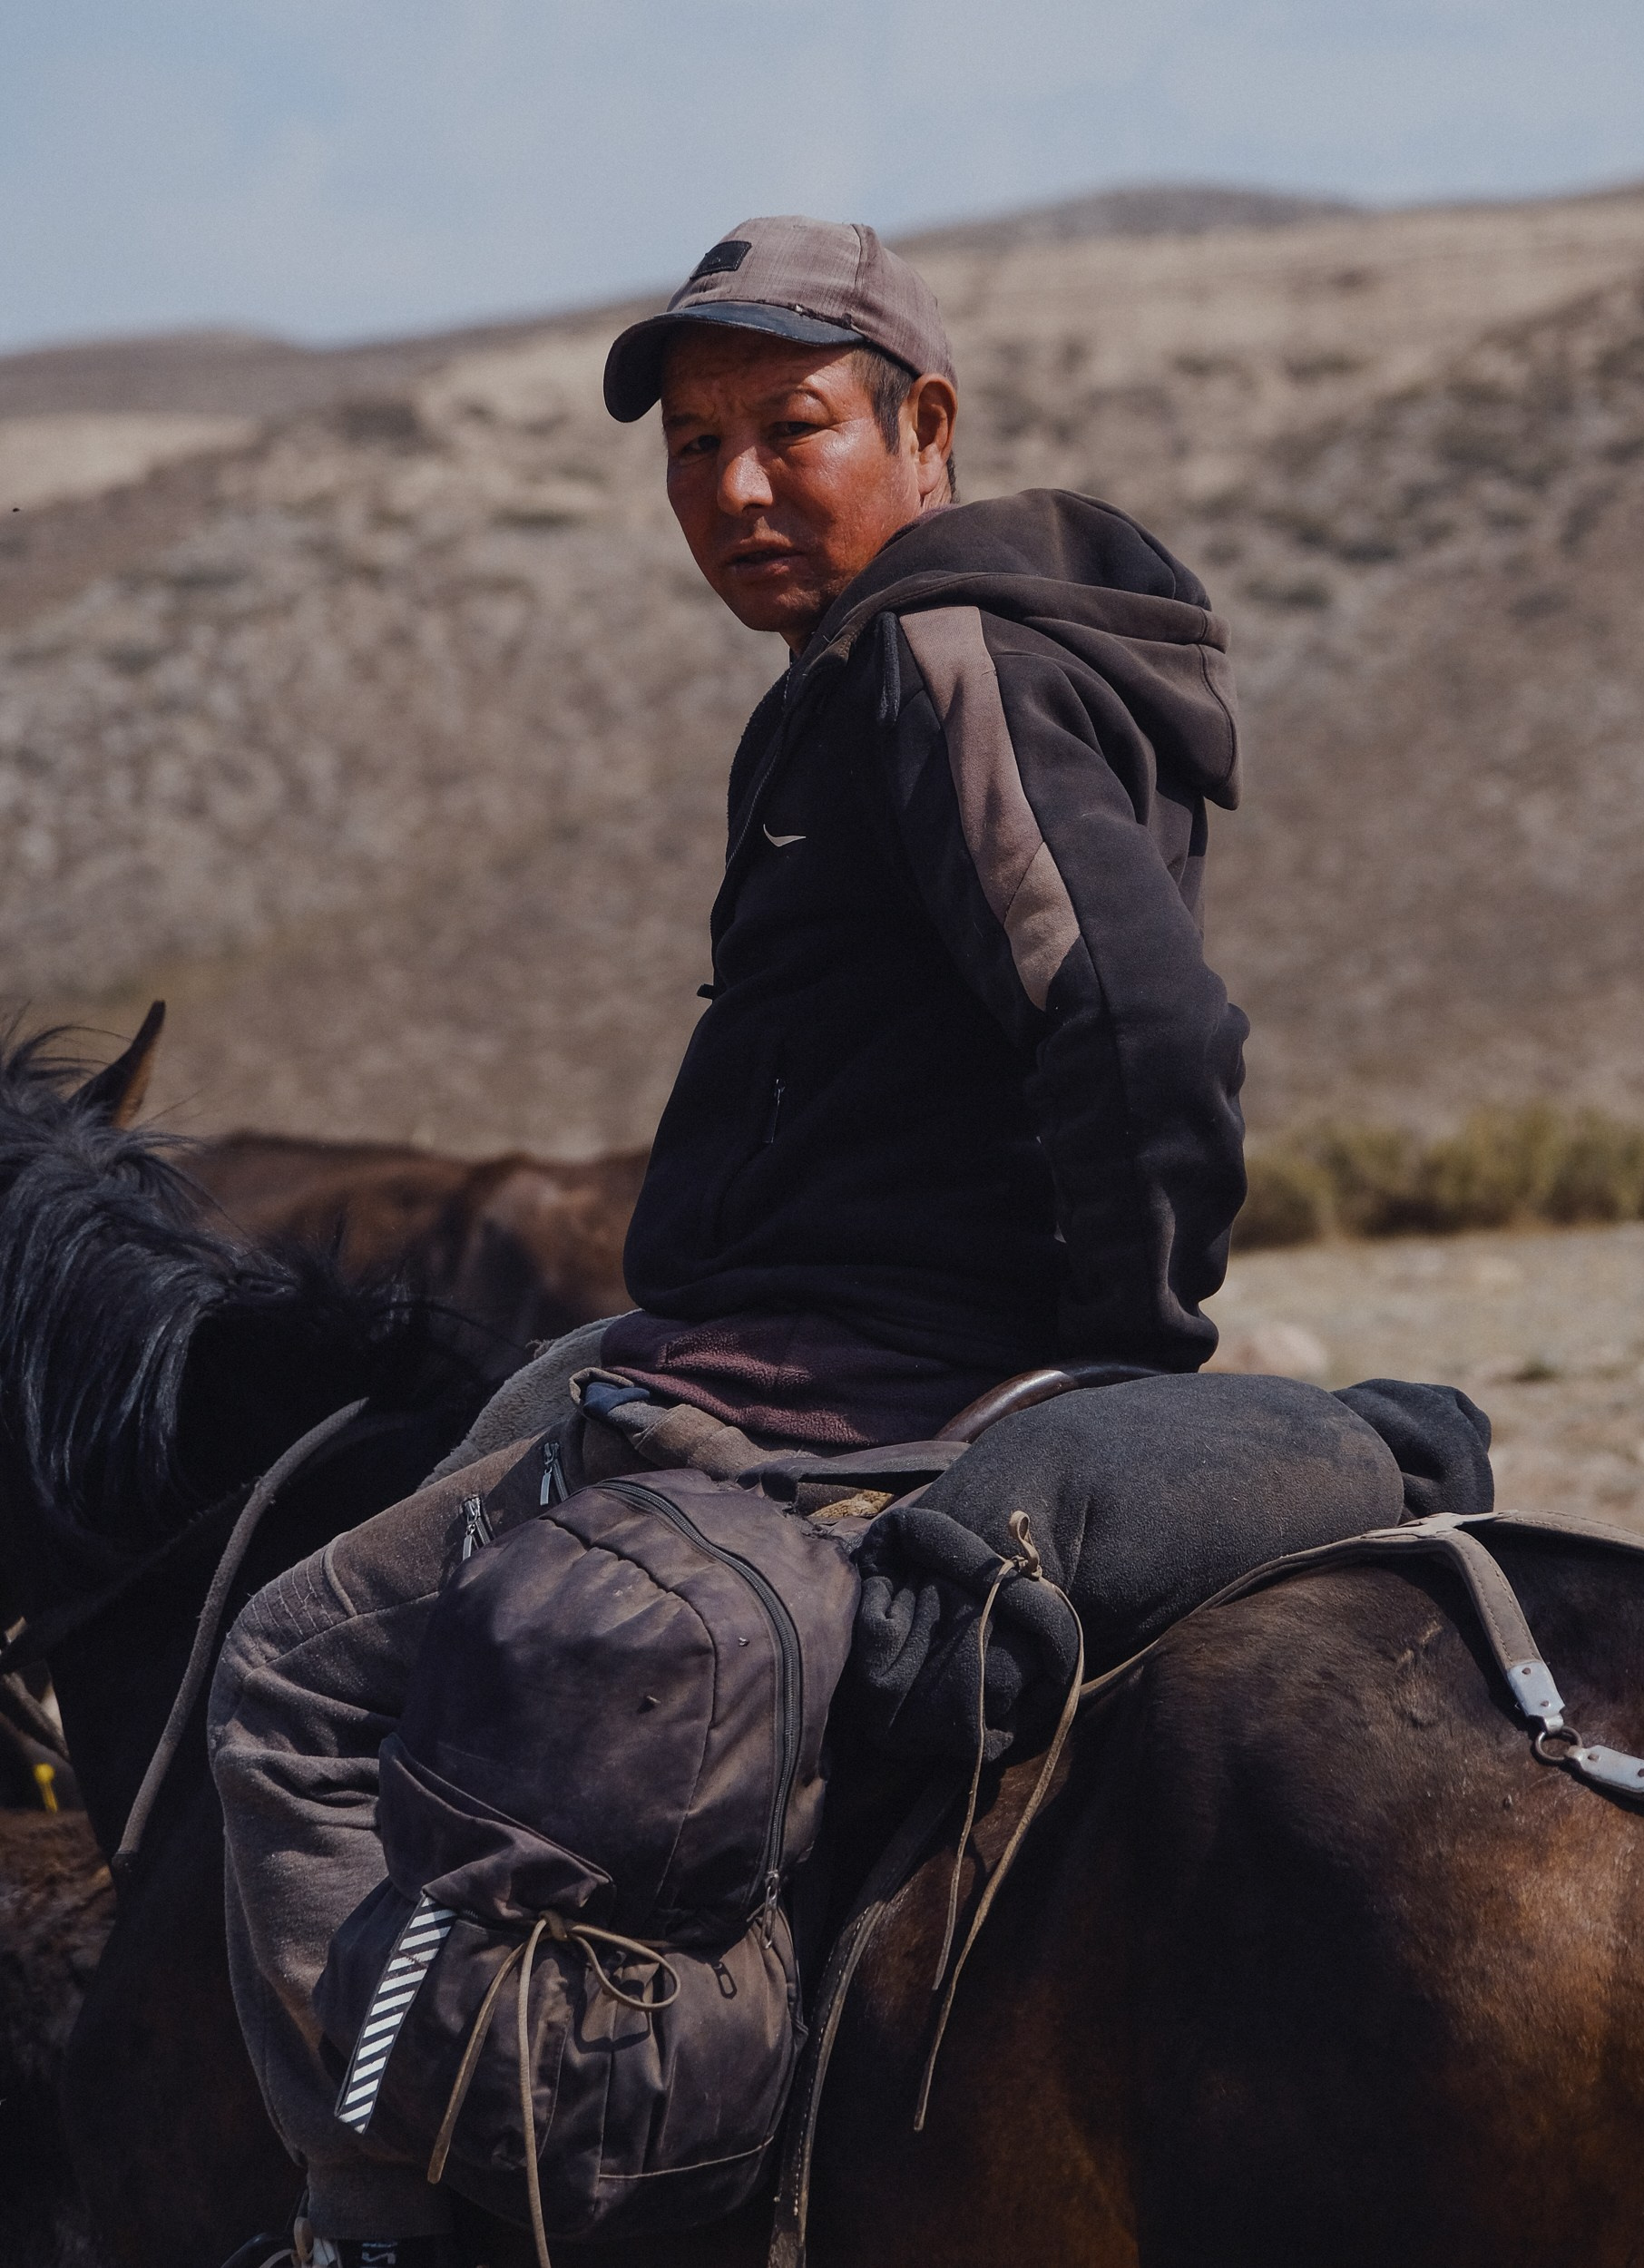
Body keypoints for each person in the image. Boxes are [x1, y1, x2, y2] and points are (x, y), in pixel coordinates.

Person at [210, 214, 1249, 2265]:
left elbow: (1136, 1020)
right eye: (693, 447)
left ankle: (380, 2207)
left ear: (923, 426)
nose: (738, 490)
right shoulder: (900, 667)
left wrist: (1120, 1349)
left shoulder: (940, 658)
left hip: (836, 1392)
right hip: (788, 1338)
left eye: (790, 429)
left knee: (288, 1671)